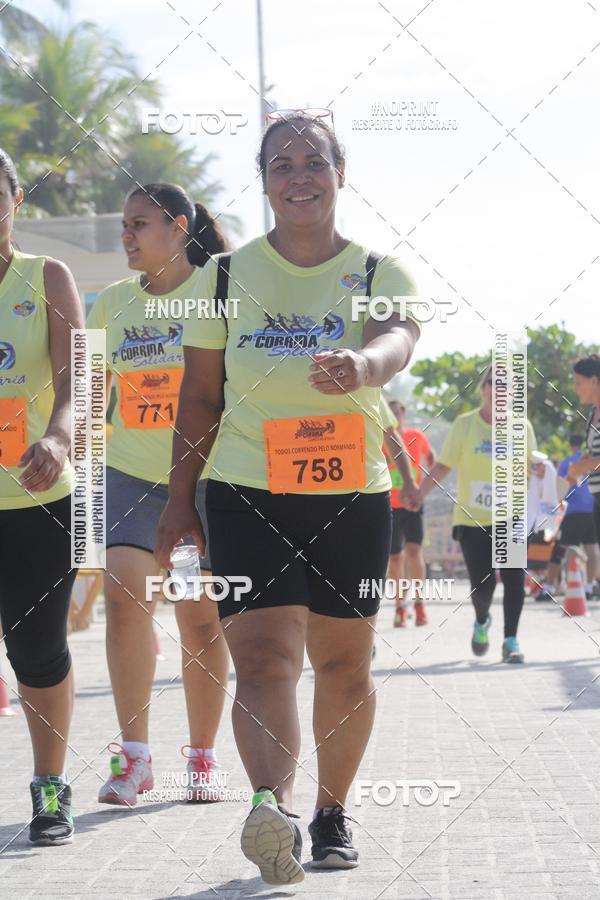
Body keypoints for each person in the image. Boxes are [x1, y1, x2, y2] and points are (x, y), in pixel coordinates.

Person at [155, 112, 420, 883]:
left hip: (351, 498)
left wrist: (365, 364)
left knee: (345, 665)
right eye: (281, 164)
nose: (298, 176)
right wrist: (180, 502)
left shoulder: (378, 271)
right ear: (264, 181)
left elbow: (399, 334)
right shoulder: (223, 278)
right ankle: (272, 809)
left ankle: (332, 811)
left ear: (341, 171)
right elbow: (198, 399)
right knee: (264, 659)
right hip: (245, 490)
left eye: (313, 161)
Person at [87, 183, 229, 806]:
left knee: (199, 620)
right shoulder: (109, 304)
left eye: (138, 223)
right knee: (124, 605)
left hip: (197, 483)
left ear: (178, 227)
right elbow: (91, 398)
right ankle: (135, 758)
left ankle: (201, 757)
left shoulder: (218, 290)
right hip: (127, 476)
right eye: (123, 224)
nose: (126, 234)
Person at [0, 149, 84, 843]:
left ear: (15, 199)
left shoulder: (47, 277)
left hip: (39, 502)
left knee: (36, 650)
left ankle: (49, 786)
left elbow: (78, 378)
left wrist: (57, 439)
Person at [417, 366, 537, 663]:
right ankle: (482, 619)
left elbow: (531, 469)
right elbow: (443, 465)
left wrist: (547, 494)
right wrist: (418, 494)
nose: (499, 389)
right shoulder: (464, 424)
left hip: (513, 515)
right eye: (493, 383)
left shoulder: (523, 427)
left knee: (513, 578)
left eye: (506, 385)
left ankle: (511, 640)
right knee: (483, 586)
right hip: (472, 517)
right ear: (483, 388)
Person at [383, 399, 434, 627]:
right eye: (389, 414)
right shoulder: (382, 440)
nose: (394, 418)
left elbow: (432, 456)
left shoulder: (417, 435)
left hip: (413, 502)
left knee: (413, 551)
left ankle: (420, 604)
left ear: (404, 413)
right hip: (390, 504)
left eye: (397, 413)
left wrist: (424, 485)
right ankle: (399, 607)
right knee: (394, 558)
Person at [536, 434, 598, 602]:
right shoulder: (591, 460)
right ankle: (589, 587)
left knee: (559, 550)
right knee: (591, 551)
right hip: (590, 511)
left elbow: (560, 487)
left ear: (570, 445)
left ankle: (548, 588)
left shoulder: (567, 463)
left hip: (573, 512)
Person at [568, 356, 600, 558]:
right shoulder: (592, 415)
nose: (575, 388)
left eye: (579, 382)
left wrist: (586, 465)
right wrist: (575, 470)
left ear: (594, 381)